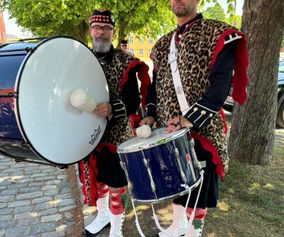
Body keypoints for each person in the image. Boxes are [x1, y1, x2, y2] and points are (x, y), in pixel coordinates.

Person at [140, 0, 249, 236]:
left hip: (202, 130)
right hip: (168, 133)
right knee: (178, 186)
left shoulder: (219, 34)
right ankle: (178, 225)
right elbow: (154, 88)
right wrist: (149, 115)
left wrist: (188, 120)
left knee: (198, 193)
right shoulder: (161, 45)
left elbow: (220, 88)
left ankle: (193, 231)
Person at [78, 9, 151, 237]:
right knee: (97, 181)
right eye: (97, 28)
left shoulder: (125, 62)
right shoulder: (79, 61)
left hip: (117, 134)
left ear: (113, 32)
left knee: (116, 184)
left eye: (106, 29)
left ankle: (117, 229)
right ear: (90, 30)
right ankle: (102, 217)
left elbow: (133, 100)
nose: (101, 33)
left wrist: (111, 108)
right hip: (87, 133)